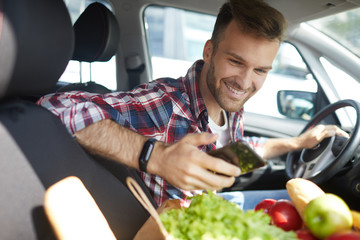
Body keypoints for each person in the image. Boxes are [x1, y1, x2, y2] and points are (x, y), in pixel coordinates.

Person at [37, 0, 347, 209]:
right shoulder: (165, 104)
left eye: (260, 70)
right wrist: (154, 156)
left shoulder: (231, 107)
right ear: (209, 51)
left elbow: (237, 149)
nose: (245, 81)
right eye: (236, 61)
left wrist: (295, 143)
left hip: (208, 210)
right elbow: (55, 107)